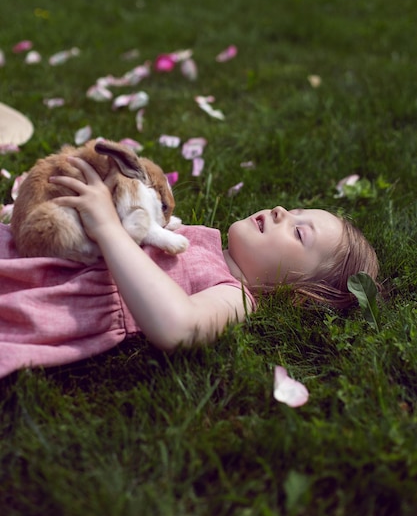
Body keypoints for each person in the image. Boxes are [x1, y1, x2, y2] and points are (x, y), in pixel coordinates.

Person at [0, 157, 378, 379]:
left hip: (48, 296)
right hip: (47, 255)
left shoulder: (236, 297)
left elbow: (177, 327)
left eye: (299, 231)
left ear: (298, 291)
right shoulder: (205, 238)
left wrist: (107, 226)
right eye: (294, 210)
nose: (281, 210)